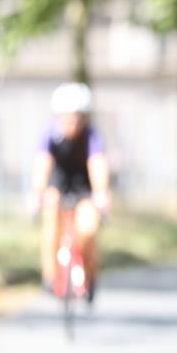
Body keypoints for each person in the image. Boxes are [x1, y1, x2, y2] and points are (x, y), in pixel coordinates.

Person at [30, 82, 111, 301]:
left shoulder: (91, 136)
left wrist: (101, 193)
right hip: (58, 184)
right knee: (51, 219)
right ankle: (50, 275)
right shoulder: (50, 134)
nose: (72, 123)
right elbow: (42, 163)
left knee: (87, 229)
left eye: (77, 117)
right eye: (67, 117)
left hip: (84, 188)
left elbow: (98, 164)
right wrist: (37, 192)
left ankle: (90, 273)